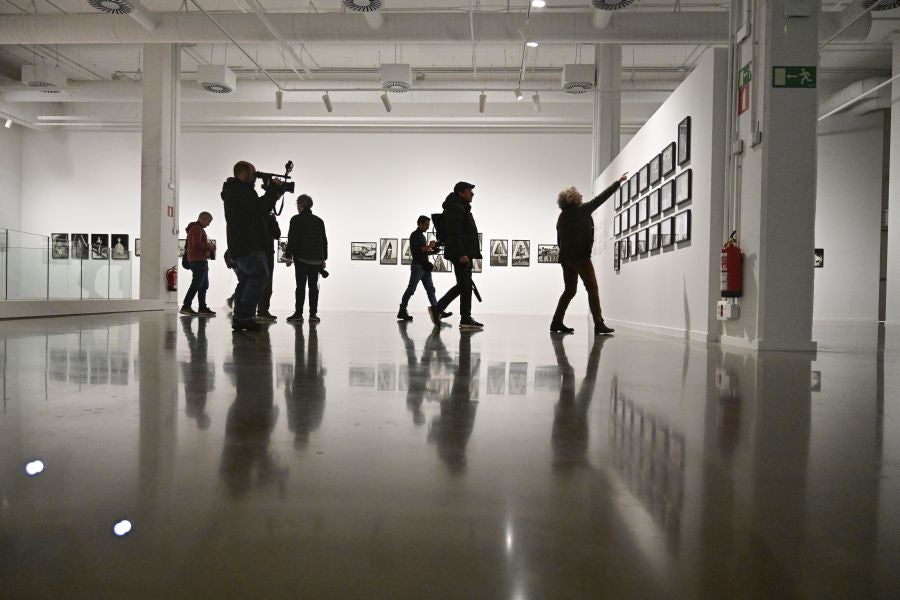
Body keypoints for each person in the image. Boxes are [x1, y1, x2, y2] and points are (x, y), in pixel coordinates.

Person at [551, 174, 627, 335]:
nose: (582, 195)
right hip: (581, 258)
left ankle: (556, 321)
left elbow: (559, 240)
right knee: (592, 289)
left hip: (566, 258)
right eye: (579, 194)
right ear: (573, 198)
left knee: (569, 290)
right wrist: (617, 183)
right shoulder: (582, 210)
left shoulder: (562, 217)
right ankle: (598, 323)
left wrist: (566, 255)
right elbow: (601, 198)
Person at [222, 161, 287, 331]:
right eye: (253, 173)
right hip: (247, 244)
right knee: (259, 274)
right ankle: (244, 316)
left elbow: (258, 209)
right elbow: (258, 208)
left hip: (243, 243)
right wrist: (272, 190)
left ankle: (240, 317)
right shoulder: (239, 191)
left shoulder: (238, 191)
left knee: (246, 279)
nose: (255, 177)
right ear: (243, 173)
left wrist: (273, 194)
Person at [430, 181, 483, 329]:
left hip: (463, 252)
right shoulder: (456, 207)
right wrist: (461, 254)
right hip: (460, 253)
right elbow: (454, 233)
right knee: (463, 285)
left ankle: (465, 318)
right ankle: (438, 309)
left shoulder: (460, 207)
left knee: (465, 286)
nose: (472, 194)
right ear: (461, 192)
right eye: (469, 191)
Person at [397, 215, 452, 322]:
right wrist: (430, 246)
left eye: (428, 225)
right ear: (420, 224)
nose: (428, 227)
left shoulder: (422, 236)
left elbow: (424, 251)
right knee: (411, 289)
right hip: (418, 266)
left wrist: (433, 251)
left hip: (424, 266)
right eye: (426, 225)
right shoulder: (414, 235)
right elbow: (417, 250)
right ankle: (402, 310)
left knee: (431, 289)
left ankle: (437, 311)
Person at [283, 194, 327, 323]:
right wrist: (324, 259)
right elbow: (324, 241)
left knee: (300, 287)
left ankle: (298, 314)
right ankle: (313, 315)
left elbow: (292, 239)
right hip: (316, 260)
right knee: (313, 287)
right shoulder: (319, 221)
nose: (297, 207)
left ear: (301, 205)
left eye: (297, 204)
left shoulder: (296, 219)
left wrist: (288, 256)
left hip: (301, 258)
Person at [180, 211, 217, 316]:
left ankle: (202, 307)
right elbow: (196, 244)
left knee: (204, 285)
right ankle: (186, 306)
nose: (209, 224)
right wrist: (209, 246)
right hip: (198, 260)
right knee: (197, 283)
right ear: (203, 219)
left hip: (200, 260)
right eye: (208, 221)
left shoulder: (197, 228)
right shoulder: (196, 228)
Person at [255, 211, 281, 322]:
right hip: (266, 253)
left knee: (255, 283)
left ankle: (255, 311)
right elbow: (277, 234)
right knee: (266, 284)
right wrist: (273, 221)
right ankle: (262, 311)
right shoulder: (269, 218)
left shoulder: (252, 216)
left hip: (255, 253)